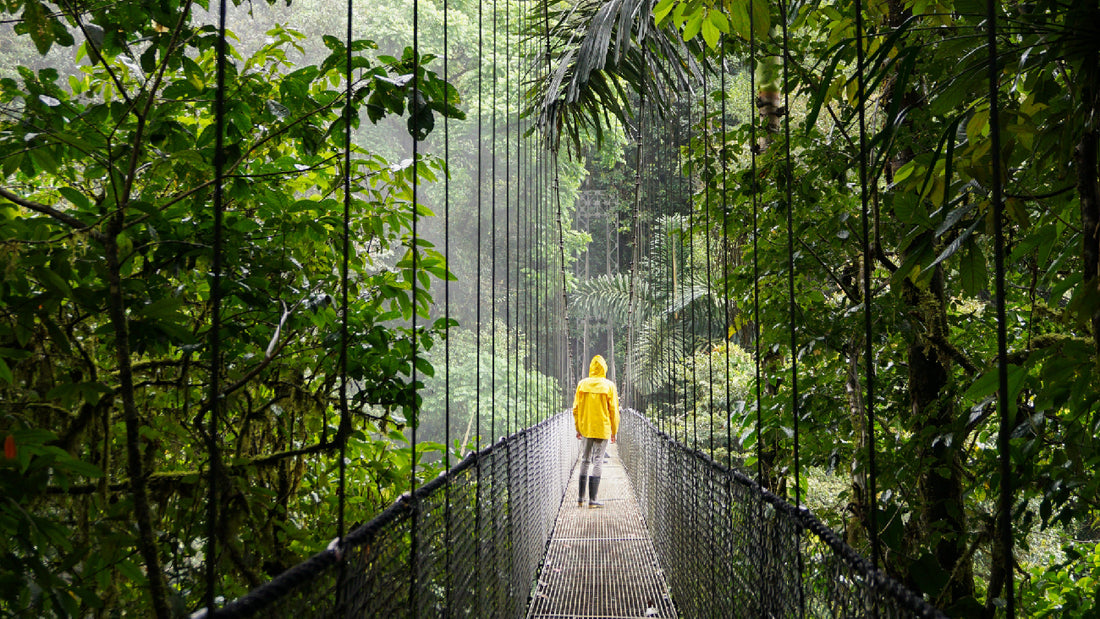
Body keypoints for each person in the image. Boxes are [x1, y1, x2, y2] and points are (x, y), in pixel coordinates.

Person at [572, 354, 619, 508]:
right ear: (604, 368)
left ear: (591, 367)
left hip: (586, 428)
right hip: (603, 428)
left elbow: (576, 409)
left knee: (585, 460)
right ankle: (592, 500)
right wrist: (614, 430)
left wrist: (578, 428)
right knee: (597, 461)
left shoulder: (582, 384)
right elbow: (614, 411)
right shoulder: (609, 386)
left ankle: (580, 498)